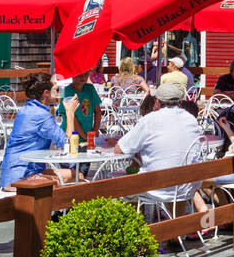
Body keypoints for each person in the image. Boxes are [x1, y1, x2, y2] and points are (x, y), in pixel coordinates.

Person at [113, 81, 209, 215]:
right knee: (176, 174)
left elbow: (120, 149)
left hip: (157, 187)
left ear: (157, 102)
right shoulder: (191, 119)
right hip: (185, 187)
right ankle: (177, 224)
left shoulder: (149, 120)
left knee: (124, 184)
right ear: (180, 101)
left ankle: (138, 224)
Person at [0, 74, 80, 189]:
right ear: (46, 93)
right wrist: (70, 112)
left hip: (11, 174)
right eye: (56, 90)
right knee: (76, 180)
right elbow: (69, 145)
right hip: (21, 178)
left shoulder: (25, 110)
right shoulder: (41, 115)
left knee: (77, 175)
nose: (59, 93)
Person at [62, 71, 102, 140]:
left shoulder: (90, 88)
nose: (83, 77)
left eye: (86, 74)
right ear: (72, 75)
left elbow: (98, 111)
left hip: (88, 135)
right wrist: (85, 137)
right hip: (72, 136)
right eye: (79, 74)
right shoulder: (67, 91)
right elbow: (72, 118)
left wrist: (95, 131)